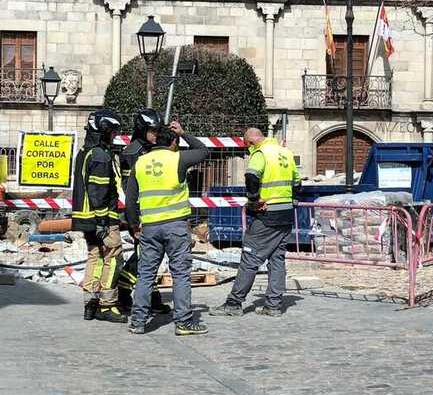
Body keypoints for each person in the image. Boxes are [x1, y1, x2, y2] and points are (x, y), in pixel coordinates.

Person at [125, 121, 209, 335]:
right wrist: (184, 132)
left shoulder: (140, 163)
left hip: (150, 227)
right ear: (173, 142)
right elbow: (202, 150)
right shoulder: (178, 158)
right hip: (175, 227)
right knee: (180, 275)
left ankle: (138, 321)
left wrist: (134, 225)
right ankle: (183, 323)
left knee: (145, 275)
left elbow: (130, 199)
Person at [213, 128, 301, 318]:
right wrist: (290, 201)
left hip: (267, 214)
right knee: (277, 259)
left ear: (251, 142)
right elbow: (297, 182)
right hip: (286, 214)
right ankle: (274, 305)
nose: (247, 150)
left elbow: (251, 176)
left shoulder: (261, 153)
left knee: (250, 258)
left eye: (247, 146)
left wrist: (253, 199)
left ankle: (234, 303)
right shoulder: (286, 153)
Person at [71, 109, 125, 322]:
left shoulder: (85, 152)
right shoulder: (101, 156)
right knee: (113, 257)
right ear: (103, 132)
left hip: (85, 219)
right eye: (112, 133)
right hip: (102, 218)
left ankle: (90, 302)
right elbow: (98, 192)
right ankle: (107, 304)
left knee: (95, 256)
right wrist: (103, 221)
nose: (114, 137)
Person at [117, 108, 169, 316]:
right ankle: (123, 290)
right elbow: (131, 190)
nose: (156, 135)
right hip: (141, 214)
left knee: (151, 257)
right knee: (144, 256)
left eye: (158, 131)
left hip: (154, 212)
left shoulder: (149, 150)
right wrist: (134, 221)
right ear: (142, 130)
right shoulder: (132, 153)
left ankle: (152, 297)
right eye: (153, 131)